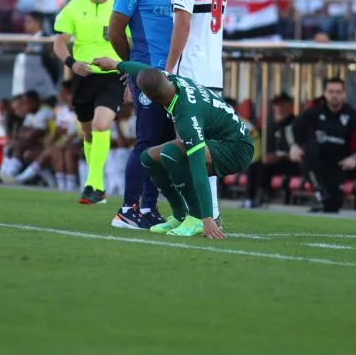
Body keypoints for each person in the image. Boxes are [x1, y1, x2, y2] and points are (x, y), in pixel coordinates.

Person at [91, 57, 253, 239]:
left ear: (150, 98)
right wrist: (115, 64)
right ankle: (179, 215)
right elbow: (145, 70)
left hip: (236, 149)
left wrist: (208, 218)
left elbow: (199, 169)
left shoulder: (187, 117)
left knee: (170, 154)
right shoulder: (170, 81)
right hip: (219, 141)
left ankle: (196, 217)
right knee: (148, 158)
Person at [108, 0, 177, 229]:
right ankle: (127, 208)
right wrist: (132, 66)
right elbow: (115, 30)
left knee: (162, 141)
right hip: (147, 73)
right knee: (147, 139)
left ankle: (148, 209)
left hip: (172, 75)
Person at [166, 0, 230, 224]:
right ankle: (212, 213)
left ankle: (197, 215)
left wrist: (168, 69)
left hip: (190, 72)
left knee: (189, 146)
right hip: (213, 73)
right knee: (206, 148)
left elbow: (183, 24)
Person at [51, 0, 125, 205]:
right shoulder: (73, 7)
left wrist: (129, 74)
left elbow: (135, 44)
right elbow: (59, 43)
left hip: (112, 76)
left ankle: (94, 185)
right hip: (83, 78)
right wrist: (72, 64)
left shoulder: (120, 6)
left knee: (101, 125)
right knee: (88, 133)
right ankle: (98, 189)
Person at [288, 79, 356, 214]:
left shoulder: (351, 114)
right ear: (325, 93)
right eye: (331, 92)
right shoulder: (315, 111)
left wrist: (355, 157)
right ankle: (319, 191)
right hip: (318, 161)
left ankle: (326, 198)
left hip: (341, 162)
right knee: (308, 149)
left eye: (338, 92)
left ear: (344, 94)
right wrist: (294, 146)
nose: (334, 95)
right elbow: (295, 127)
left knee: (332, 205)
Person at [243, 93, 300, 208]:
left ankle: (262, 195)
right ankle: (249, 198)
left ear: (290, 106)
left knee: (265, 167)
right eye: (277, 105)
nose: (279, 108)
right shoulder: (271, 126)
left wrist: (278, 156)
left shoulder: (295, 124)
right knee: (255, 165)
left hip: (291, 162)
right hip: (273, 162)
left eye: (283, 105)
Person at [11, 11, 59, 106]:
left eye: (28, 21)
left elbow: (54, 66)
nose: (25, 24)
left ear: (38, 23)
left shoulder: (47, 40)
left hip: (44, 94)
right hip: (27, 95)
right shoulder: (25, 42)